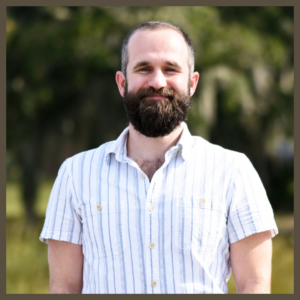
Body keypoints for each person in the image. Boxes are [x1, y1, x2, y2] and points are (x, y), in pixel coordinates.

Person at [40, 21, 278, 294]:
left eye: (170, 69)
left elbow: (255, 286)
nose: (157, 81)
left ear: (192, 83)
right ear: (121, 82)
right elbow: (64, 288)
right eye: (144, 68)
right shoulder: (75, 174)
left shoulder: (233, 171)